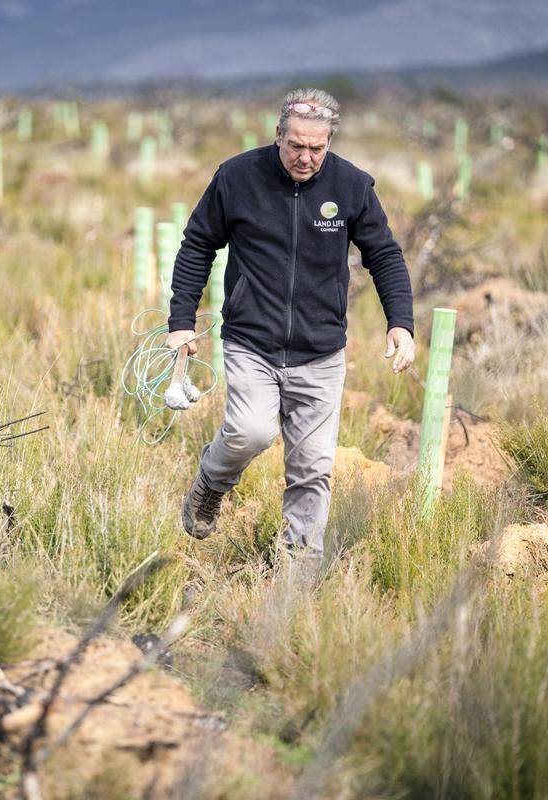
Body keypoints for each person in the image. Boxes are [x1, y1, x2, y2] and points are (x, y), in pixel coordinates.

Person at [165, 87, 415, 569]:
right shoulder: (237, 177)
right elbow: (197, 245)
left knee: (312, 469)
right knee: (250, 432)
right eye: (296, 145)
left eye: (316, 148)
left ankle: (295, 581)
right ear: (278, 135)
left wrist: (400, 322)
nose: (305, 157)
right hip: (251, 343)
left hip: (320, 353)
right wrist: (181, 323)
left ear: (329, 143)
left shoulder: (352, 186)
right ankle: (211, 482)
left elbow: (383, 254)